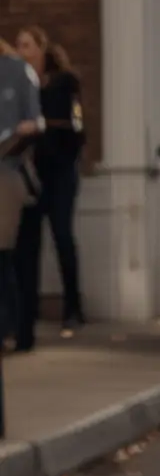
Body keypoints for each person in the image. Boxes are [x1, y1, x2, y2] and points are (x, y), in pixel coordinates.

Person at [14, 28, 86, 335]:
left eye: (27, 45)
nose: (22, 51)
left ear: (41, 48)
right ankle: (25, 314)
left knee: (62, 235)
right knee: (27, 243)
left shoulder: (64, 83)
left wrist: (43, 128)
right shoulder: (19, 84)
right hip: (30, 173)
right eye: (18, 46)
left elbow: (77, 126)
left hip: (61, 172)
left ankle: (73, 306)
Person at [0, 37, 42, 352]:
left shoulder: (17, 72)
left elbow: (35, 122)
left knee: (3, 255)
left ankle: (10, 328)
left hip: (6, 169)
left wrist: (25, 129)